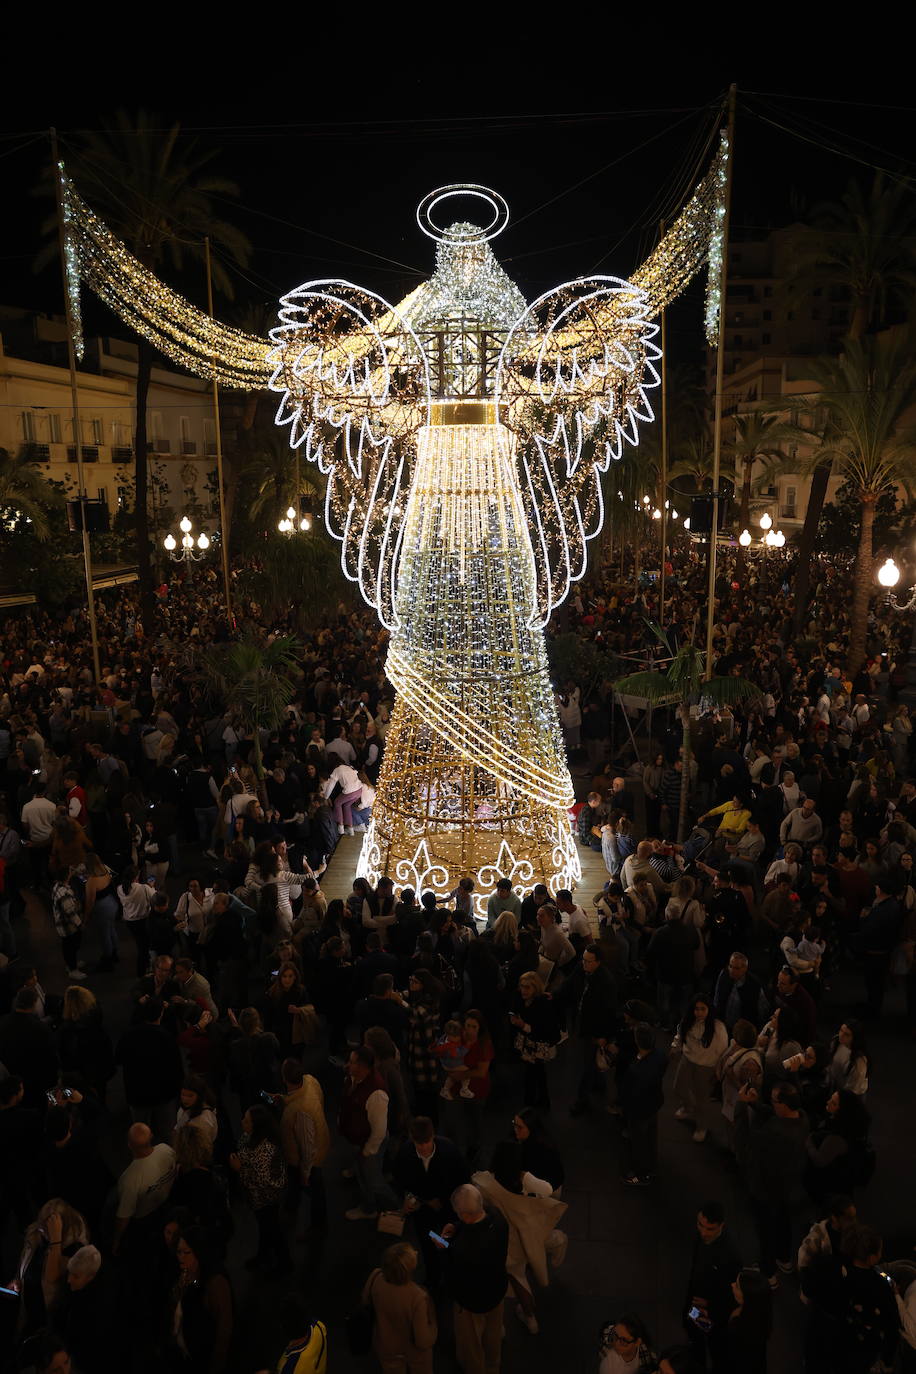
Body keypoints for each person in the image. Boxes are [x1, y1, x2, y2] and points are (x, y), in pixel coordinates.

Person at [473, 1141, 567, 1335]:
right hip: (521, 1240)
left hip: (497, 1241)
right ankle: (530, 1318)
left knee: (497, 1283)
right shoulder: (523, 1179)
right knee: (519, 1279)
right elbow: (548, 1190)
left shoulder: (484, 1182)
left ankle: (498, 1326)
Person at [734, 1080, 809, 1290]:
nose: (772, 1104)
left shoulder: (772, 1133)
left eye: (774, 1101)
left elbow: (743, 1145)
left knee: (765, 1229)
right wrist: (756, 1104)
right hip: (789, 1186)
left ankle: (769, 1274)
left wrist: (741, 1106)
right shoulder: (802, 1118)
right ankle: (784, 1259)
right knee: (784, 1223)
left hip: (766, 1189)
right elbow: (775, 1115)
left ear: (784, 1105)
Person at [435, 1182, 509, 1374]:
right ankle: (494, 1365)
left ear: (465, 1216)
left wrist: (442, 1245)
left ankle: (476, 1368)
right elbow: (474, 1226)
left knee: (471, 1342)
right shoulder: (498, 1218)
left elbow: (451, 1269)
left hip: (472, 1300)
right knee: (493, 1333)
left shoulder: (462, 1248)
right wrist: (457, 1226)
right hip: (497, 1289)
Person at [554, 943, 618, 1117]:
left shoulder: (606, 982)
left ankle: (582, 1100)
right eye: (584, 960)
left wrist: (603, 1036)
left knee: (587, 1064)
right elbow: (568, 984)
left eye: (589, 962)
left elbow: (610, 1012)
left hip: (594, 1029)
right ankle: (599, 1083)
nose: (584, 964)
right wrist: (554, 995)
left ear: (598, 962)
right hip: (581, 1021)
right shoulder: (582, 968)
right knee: (590, 1061)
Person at [228, 1104, 290, 1273]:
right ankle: (263, 1256)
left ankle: (283, 1265)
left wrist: (239, 1169)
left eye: (246, 1120)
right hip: (258, 1199)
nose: (242, 1122)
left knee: (272, 1230)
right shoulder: (251, 1137)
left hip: (266, 1199)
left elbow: (264, 1181)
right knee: (266, 1229)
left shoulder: (265, 1149)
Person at [339, 1044, 397, 1220]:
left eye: (352, 1062)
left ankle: (395, 1210)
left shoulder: (376, 1093)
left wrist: (367, 1151)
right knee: (363, 1175)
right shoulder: (353, 1078)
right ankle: (369, 1206)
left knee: (374, 1181)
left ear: (363, 1067)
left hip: (370, 1144)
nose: (347, 1065)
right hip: (359, 1140)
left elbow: (379, 1131)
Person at [362, 1241, 437, 1374]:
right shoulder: (417, 1297)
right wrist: (434, 1327)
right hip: (413, 1353)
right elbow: (423, 1340)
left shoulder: (375, 1276)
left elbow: (365, 1301)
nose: (416, 1252)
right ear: (408, 1269)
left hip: (386, 1347)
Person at [682, 1201, 740, 1371]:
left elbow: (733, 1295)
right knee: (695, 1338)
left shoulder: (731, 1256)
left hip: (714, 1314)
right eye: (701, 1225)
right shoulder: (700, 1237)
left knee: (717, 1350)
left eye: (710, 1229)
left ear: (721, 1225)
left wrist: (712, 1307)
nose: (704, 1232)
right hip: (696, 1304)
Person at [170, 1226, 233, 1374]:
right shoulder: (189, 1274)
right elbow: (197, 1287)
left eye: (187, 1252)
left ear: (200, 1252)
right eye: (179, 1252)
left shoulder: (216, 1283)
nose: (181, 1258)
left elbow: (224, 1331)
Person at [278, 1056, 330, 1230]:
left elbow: (307, 1146)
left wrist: (306, 1172)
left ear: (284, 1079)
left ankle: (318, 1227)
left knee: (314, 1191)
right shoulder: (309, 1080)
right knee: (298, 1186)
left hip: (307, 1160)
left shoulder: (300, 1111)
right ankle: (291, 1207)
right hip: (319, 1143)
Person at [113, 1122, 177, 1258]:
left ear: (129, 1145)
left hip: (145, 1219)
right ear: (151, 1136)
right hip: (168, 1204)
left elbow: (124, 1215)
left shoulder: (129, 1179)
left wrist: (116, 1240)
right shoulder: (165, 1149)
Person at [671, 996, 728, 1143]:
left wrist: (718, 1070)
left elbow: (723, 1051)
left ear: (709, 1009)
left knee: (702, 1099)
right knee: (678, 1087)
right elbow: (680, 1034)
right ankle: (688, 1107)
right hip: (687, 1059)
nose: (699, 1012)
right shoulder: (688, 1021)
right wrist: (675, 1047)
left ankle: (701, 1127)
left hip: (706, 1066)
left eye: (703, 1009)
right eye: (696, 1009)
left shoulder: (718, 1027)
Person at [618, 1023, 667, 1187]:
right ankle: (652, 1166)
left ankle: (641, 1174)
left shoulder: (635, 1071)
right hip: (653, 1104)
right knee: (651, 1137)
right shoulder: (660, 1056)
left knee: (638, 1142)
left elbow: (628, 1093)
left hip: (638, 1111)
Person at [509, 971, 562, 1111]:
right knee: (536, 1073)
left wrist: (522, 1025)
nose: (523, 990)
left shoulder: (543, 1005)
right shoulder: (520, 998)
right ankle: (539, 1102)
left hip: (538, 1044)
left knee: (534, 1074)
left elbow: (544, 1030)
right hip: (528, 1044)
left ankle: (531, 1104)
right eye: (522, 986)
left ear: (535, 988)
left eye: (527, 987)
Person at [724, 1268, 772, 1374]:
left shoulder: (740, 1329)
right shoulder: (761, 1314)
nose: (732, 1285)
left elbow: (732, 1358)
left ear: (747, 1297)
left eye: (737, 1286)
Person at [511, 1109, 565, 1194]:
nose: (515, 1129)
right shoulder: (518, 1138)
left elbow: (555, 1178)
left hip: (546, 1188)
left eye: (520, 1127)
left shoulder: (542, 1148)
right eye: (514, 1124)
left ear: (531, 1128)